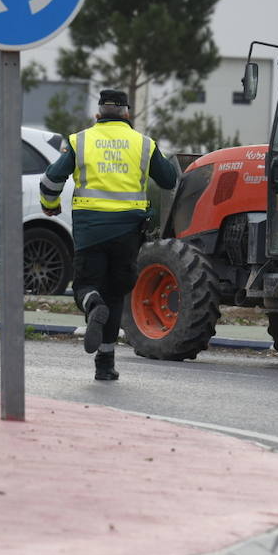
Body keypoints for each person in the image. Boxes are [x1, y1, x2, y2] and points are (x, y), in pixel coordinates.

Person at [39, 89, 180, 382]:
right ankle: (105, 365)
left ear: (98, 114)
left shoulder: (80, 141)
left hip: (90, 230)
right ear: (127, 114)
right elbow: (169, 180)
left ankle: (93, 305)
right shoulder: (143, 144)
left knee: (86, 287)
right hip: (128, 232)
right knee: (116, 295)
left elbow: (51, 179)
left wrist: (50, 206)